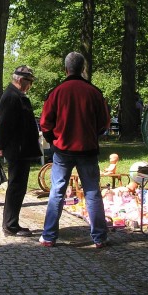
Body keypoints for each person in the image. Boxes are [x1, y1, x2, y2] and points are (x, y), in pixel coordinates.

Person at [39, 52, 110, 248]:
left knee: (57, 192)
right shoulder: (94, 92)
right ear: (83, 69)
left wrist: (53, 139)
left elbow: (45, 123)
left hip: (63, 150)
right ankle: (100, 237)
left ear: (66, 69)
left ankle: (49, 236)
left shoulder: (56, 92)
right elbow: (104, 123)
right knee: (92, 192)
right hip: (87, 149)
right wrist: (93, 135)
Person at [0, 66, 42, 237]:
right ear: (21, 80)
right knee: (15, 187)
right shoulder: (11, 96)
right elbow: (5, 125)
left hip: (22, 149)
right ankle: (10, 225)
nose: (30, 85)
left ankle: (12, 223)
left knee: (19, 187)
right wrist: (1, 145)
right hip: (17, 150)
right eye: (30, 82)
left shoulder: (17, 96)